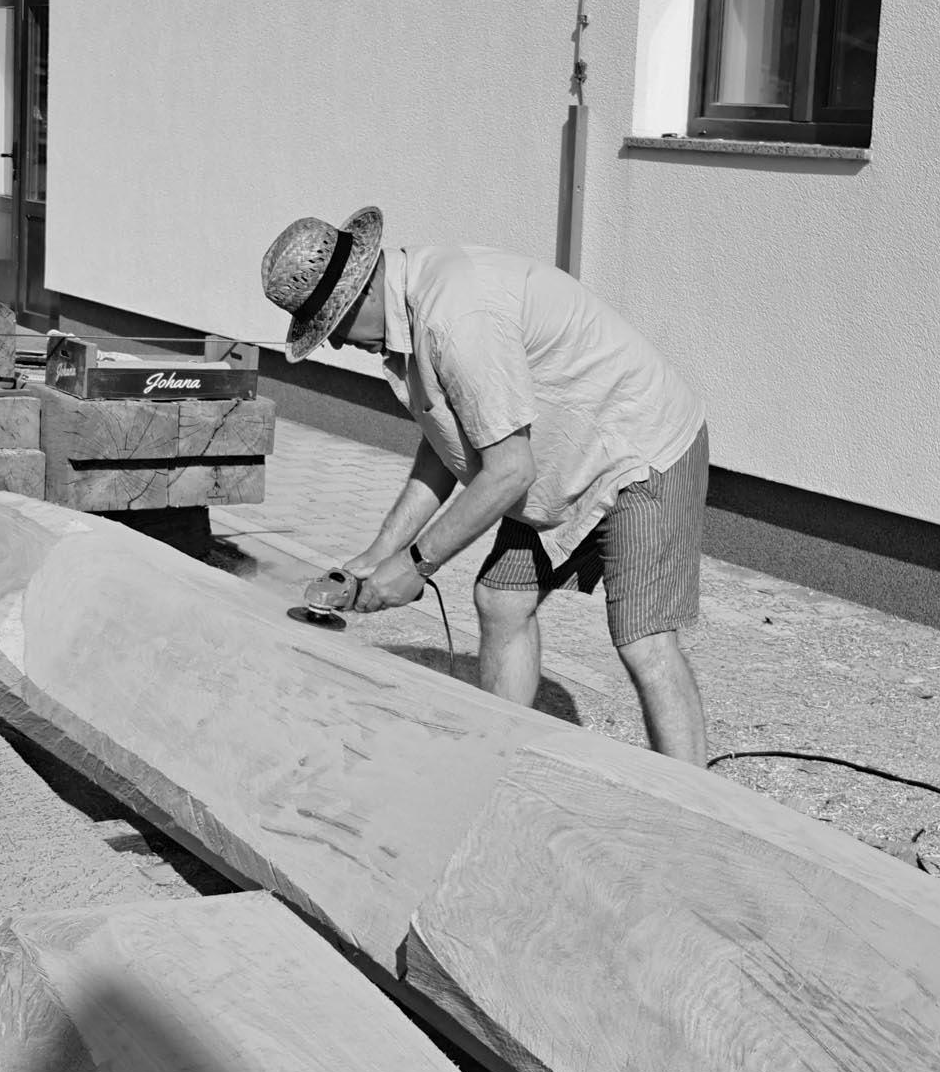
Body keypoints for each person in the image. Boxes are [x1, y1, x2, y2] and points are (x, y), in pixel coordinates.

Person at [260, 206, 710, 763]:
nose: (333, 345)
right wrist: (382, 552)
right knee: (501, 599)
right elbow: (448, 442)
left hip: (638, 449)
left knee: (644, 640)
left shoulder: (455, 319)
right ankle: (498, 764)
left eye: (333, 326)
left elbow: (510, 471)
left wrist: (417, 565)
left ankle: (692, 802)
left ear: (363, 291)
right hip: (561, 456)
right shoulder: (413, 309)